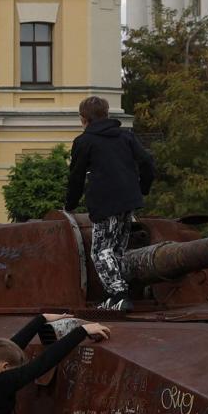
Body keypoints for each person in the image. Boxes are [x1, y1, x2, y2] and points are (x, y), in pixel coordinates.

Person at [64, 96, 156, 311]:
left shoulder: (84, 142)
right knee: (117, 250)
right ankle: (113, 298)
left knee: (100, 251)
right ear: (106, 114)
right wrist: (142, 188)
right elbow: (147, 162)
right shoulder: (126, 136)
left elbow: (76, 177)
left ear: (83, 118)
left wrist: (70, 204)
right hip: (129, 201)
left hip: (104, 202)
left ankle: (120, 295)